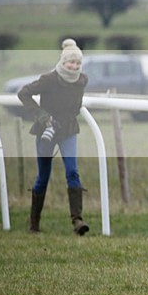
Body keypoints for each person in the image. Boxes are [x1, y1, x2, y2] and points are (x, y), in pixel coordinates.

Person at [18, 38, 90, 235]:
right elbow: (23, 93)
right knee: (43, 176)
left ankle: (77, 220)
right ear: (63, 62)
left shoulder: (82, 80)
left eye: (77, 63)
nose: (74, 66)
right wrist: (42, 116)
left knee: (72, 172)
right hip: (46, 131)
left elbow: (76, 106)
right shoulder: (49, 79)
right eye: (71, 62)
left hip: (67, 130)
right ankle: (34, 223)